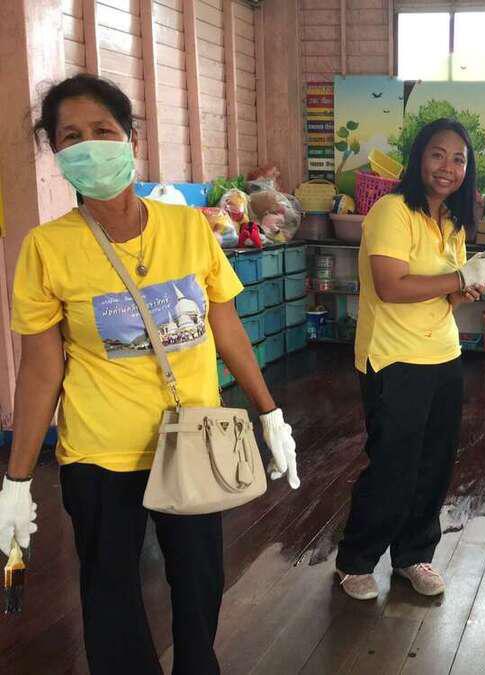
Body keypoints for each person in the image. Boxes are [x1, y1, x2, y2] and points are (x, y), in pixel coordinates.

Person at [0, 74, 299, 674]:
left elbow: (226, 327)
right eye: (71, 137)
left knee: (199, 583)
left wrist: (269, 412)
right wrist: (16, 479)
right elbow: (40, 371)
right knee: (109, 595)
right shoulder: (47, 248)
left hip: (194, 439)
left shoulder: (188, 229)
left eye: (103, 130)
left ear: (131, 137)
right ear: (56, 153)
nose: (89, 145)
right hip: (100, 454)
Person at [335, 119, 485, 600]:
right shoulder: (391, 211)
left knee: (434, 464)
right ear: (419, 158)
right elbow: (390, 286)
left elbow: (444, 298)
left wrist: (467, 288)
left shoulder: (452, 221)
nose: (448, 167)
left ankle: (413, 555)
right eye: (438, 154)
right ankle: (355, 561)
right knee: (392, 465)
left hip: (443, 353)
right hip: (393, 358)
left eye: (459, 159)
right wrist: (457, 278)